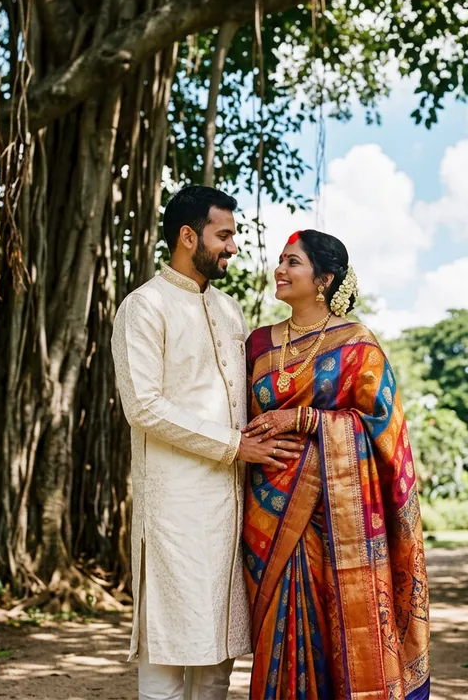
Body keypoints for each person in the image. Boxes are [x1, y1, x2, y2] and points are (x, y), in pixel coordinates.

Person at [112, 185, 304, 700]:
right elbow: (144, 407)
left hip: (234, 505)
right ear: (187, 235)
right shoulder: (144, 307)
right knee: (169, 653)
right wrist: (232, 445)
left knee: (219, 658)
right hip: (175, 505)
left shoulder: (230, 310)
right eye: (224, 235)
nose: (233, 247)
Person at [241, 230, 431, 700]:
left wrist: (305, 418)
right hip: (268, 513)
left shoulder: (357, 346)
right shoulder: (257, 344)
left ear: (324, 279)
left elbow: (382, 429)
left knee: (341, 628)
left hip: (336, 519)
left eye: (293, 263)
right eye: (281, 261)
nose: (280, 271)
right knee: (278, 633)